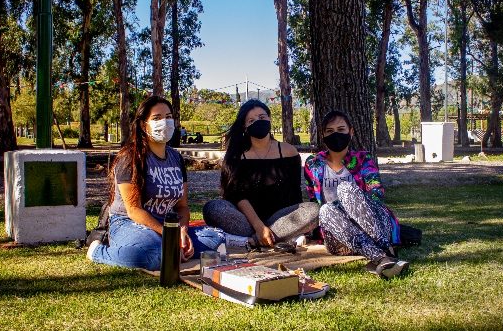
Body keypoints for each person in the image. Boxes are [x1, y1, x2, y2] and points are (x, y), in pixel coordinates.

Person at [87, 96, 224, 271]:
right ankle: (98, 251)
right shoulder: (130, 158)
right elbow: (133, 210)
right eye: (157, 118)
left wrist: (180, 231)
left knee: (216, 239)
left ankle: (170, 250)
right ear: (144, 125)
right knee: (150, 255)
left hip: (168, 224)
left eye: (168, 117)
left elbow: (182, 206)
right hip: (129, 223)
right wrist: (170, 235)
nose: (165, 122)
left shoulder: (176, 158)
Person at [304, 110, 409, 279]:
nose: (335, 135)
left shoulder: (364, 159)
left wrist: (350, 207)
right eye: (329, 131)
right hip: (342, 234)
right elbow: (313, 199)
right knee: (325, 210)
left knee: (345, 189)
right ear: (323, 135)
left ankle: (383, 250)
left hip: (374, 225)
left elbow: (376, 195)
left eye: (341, 129)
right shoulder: (313, 164)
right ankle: (384, 257)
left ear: (351, 132)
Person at [203, 99, 319, 249]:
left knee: (315, 210)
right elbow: (237, 196)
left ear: (270, 119)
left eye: (262, 117)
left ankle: (252, 241)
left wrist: (297, 222)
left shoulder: (289, 151)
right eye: (251, 120)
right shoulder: (237, 156)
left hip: (282, 220)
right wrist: (259, 227)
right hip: (246, 221)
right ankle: (266, 237)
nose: (258, 122)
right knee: (213, 208)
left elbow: (294, 194)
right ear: (244, 126)